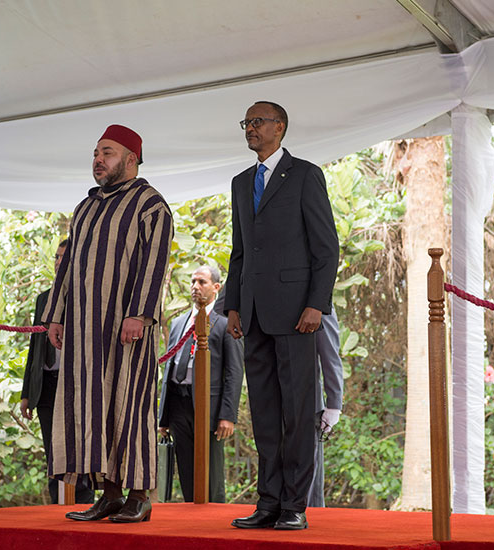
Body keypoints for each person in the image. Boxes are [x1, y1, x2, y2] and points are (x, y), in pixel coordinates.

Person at [44, 124, 173, 523]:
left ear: (131, 159)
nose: (99, 160)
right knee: (94, 409)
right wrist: (56, 315)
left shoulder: (151, 204)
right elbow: (68, 267)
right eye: (96, 153)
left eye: (108, 152)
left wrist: (139, 314)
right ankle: (110, 494)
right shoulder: (84, 208)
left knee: (129, 407)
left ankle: (140, 495)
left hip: (127, 329)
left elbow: (156, 266)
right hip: (85, 331)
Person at [224, 101, 339, 530]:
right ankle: (268, 502)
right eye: (247, 123)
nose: (250, 128)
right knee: (267, 415)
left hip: (296, 315)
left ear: (281, 127)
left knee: (297, 411)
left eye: (258, 122)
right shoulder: (240, 182)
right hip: (252, 314)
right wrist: (231, 304)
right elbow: (240, 251)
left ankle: (295, 505)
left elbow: (326, 248)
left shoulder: (306, 175)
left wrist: (316, 304)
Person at [158, 266, 243, 503]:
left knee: (211, 472)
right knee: (186, 468)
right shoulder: (178, 324)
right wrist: (163, 418)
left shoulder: (225, 324)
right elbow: (169, 369)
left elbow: (234, 373)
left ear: (216, 287)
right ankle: (190, 520)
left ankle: (215, 522)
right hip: (178, 403)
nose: (195, 286)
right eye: (193, 281)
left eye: (202, 282)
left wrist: (228, 415)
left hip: (209, 406)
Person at [20, 239, 94, 504]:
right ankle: (55, 506)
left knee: (78, 448)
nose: (59, 262)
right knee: (52, 452)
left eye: (66, 258)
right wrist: (27, 392)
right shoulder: (43, 299)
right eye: (56, 257)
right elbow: (34, 349)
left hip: (77, 385)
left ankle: (84, 502)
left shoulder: (88, 296)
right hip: (48, 384)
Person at [306, 307, 343, 507]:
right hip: (274, 397)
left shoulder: (319, 299)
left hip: (308, 400)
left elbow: (330, 352)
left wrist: (334, 405)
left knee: (309, 471)